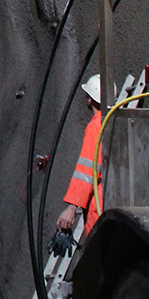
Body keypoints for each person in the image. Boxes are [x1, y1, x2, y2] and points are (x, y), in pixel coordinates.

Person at [57, 75, 106, 236]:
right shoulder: (116, 121)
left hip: (99, 206)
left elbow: (87, 170)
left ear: (90, 99)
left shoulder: (96, 126)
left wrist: (71, 208)